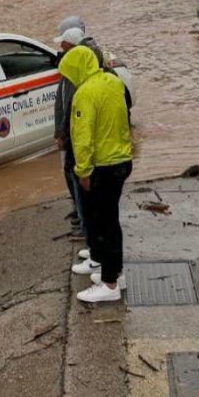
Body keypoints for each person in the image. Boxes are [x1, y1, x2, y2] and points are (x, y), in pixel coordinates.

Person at [63, 45, 133, 303]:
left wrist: (83, 171)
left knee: (102, 224)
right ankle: (115, 271)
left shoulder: (84, 93)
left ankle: (109, 284)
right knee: (111, 221)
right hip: (121, 160)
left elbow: (82, 138)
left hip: (101, 167)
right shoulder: (113, 82)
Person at [53, 18, 103, 235]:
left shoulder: (78, 69)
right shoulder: (75, 65)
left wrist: (62, 133)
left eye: (62, 45)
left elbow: (72, 107)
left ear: (72, 46)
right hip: (72, 134)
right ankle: (83, 218)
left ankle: (87, 226)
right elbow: (61, 101)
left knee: (79, 176)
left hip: (75, 135)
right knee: (75, 175)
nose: (60, 48)